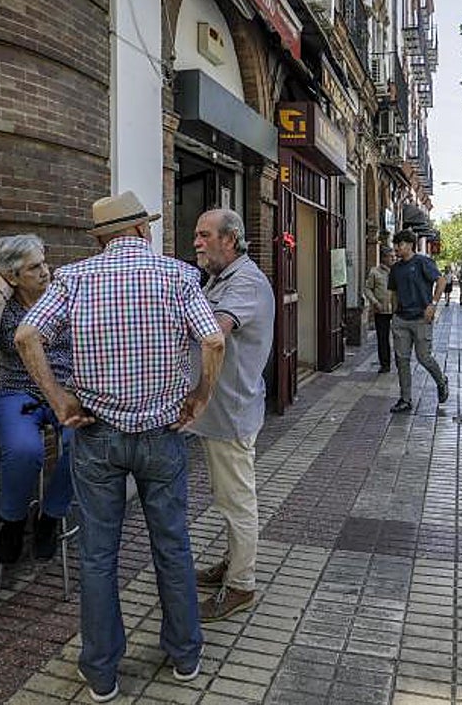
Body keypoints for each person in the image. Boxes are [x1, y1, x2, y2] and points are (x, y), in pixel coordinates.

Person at [15, 191, 225, 701]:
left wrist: (60, 400)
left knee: (97, 554)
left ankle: (102, 673)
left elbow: (25, 336)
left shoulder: (73, 278)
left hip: (96, 435)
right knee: (172, 546)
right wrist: (200, 395)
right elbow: (214, 340)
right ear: (142, 231)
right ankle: (185, 655)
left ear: (102, 238)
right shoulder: (178, 275)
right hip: (162, 435)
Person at [0, 234, 74, 565]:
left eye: (44, 263)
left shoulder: (64, 299)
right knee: (24, 451)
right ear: (11, 276)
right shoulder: (1, 305)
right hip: (16, 390)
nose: (45, 271)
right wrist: (1, 293)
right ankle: (11, 522)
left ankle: (50, 517)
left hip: (64, 389)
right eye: (34, 267)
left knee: (87, 443)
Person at [190, 209, 274, 623]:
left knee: (237, 500)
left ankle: (241, 584)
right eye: (196, 235)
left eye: (205, 235)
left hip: (230, 412)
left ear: (230, 239)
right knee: (227, 498)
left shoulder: (245, 282)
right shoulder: (219, 278)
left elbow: (214, 332)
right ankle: (232, 562)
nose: (196, 242)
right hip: (219, 413)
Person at [387, 229, 449, 413]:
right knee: (402, 360)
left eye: (399, 245)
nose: (396, 249)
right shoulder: (395, 268)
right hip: (401, 319)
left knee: (424, 357)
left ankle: (441, 381)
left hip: (421, 318)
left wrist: (433, 304)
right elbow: (394, 293)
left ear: (409, 245)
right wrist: (394, 314)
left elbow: (441, 281)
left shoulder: (423, 262)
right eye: (395, 245)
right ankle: (405, 399)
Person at [364, 247, 396, 373]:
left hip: (397, 310)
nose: (393, 258)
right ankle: (385, 364)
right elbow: (367, 289)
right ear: (383, 258)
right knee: (382, 338)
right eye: (391, 256)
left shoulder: (397, 271)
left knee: (400, 338)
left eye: (394, 256)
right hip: (381, 310)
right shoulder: (374, 272)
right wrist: (375, 302)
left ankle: (401, 363)